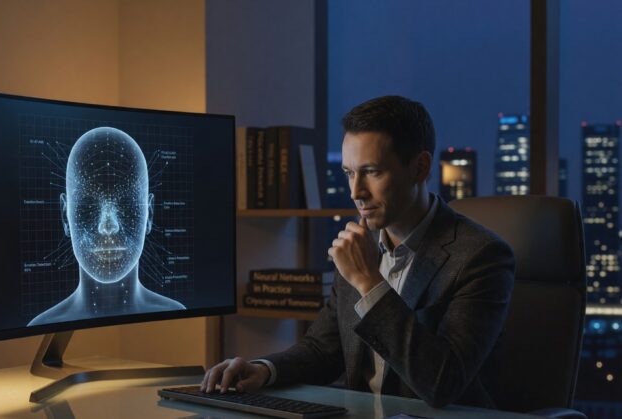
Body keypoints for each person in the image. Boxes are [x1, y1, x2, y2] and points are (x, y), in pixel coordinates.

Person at [201, 96, 514, 409]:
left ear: (420, 168)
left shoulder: (481, 256)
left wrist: (369, 283)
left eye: (372, 172)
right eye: (350, 173)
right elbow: (323, 349)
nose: (356, 192)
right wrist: (264, 370)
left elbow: (442, 383)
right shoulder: (362, 242)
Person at [29, 127, 185, 326]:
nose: (108, 226)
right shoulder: (41, 327)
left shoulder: (176, 315)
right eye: (88, 204)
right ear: (65, 216)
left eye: (127, 203)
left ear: (149, 214)